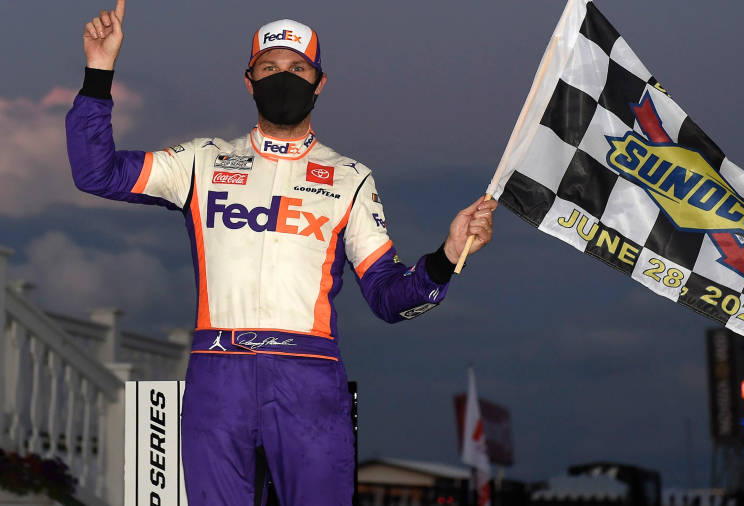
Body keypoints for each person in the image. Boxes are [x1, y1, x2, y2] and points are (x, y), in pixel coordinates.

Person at [67, 1, 498, 504]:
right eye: (269, 68)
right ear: (249, 81)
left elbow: (388, 297)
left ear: (320, 82)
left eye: (297, 69)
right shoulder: (202, 161)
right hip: (218, 370)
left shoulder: (349, 177)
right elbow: (96, 173)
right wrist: (99, 71)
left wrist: (446, 255)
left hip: (308, 377)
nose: (283, 78)